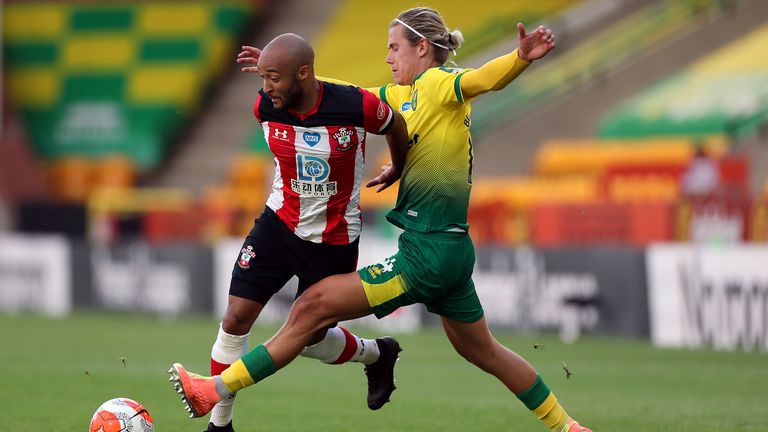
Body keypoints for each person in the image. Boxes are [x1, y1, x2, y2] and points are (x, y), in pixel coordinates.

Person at [170, 8, 592, 432]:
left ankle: (215, 390)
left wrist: (520, 58)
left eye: (394, 48)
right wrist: (278, 69)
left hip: (427, 254)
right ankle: (568, 427)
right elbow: (338, 94)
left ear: (422, 48)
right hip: (449, 249)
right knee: (485, 352)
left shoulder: (439, 84)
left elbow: (482, 78)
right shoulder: (399, 95)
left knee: (310, 308)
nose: (389, 58)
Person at [199, 33, 410, 432]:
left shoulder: (356, 106)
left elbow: (395, 124)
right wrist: (276, 72)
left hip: (334, 240)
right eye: (263, 77)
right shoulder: (265, 107)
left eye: (273, 78)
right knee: (235, 316)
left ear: (304, 73)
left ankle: (376, 354)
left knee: (310, 339)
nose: (265, 88)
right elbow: (285, 92)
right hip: (278, 225)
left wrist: (397, 166)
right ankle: (220, 423)